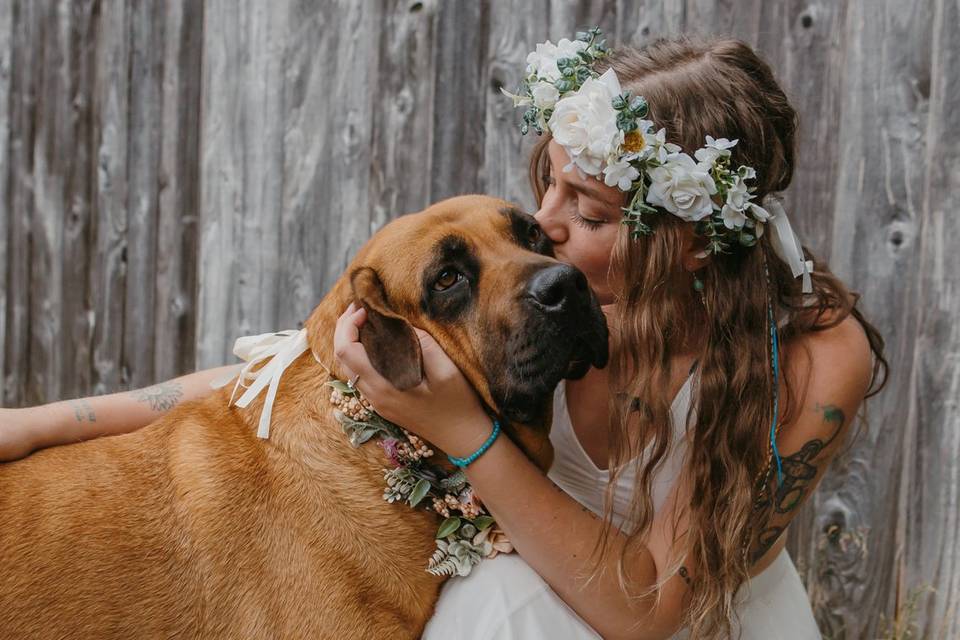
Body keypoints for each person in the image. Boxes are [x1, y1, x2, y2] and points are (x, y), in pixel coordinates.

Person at [1, 33, 886, 639]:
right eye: (546, 193)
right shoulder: (571, 274)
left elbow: (651, 611)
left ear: (689, 241)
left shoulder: (808, 358)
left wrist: (464, 429)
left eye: (589, 210)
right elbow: (302, 366)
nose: (547, 235)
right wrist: (42, 424)